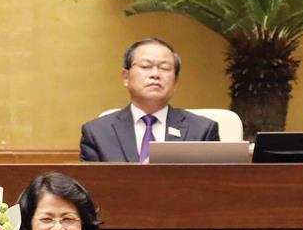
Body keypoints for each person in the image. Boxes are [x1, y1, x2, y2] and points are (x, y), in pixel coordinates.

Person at [80, 37, 220, 162]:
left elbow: (214, 181)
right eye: (145, 66)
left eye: (165, 68)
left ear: (175, 81)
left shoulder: (202, 131)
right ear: (126, 77)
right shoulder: (97, 133)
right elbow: (91, 183)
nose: (155, 74)